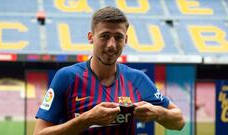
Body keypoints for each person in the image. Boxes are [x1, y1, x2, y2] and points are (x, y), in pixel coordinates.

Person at [34, 6, 185, 135]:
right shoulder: (67, 77)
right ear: (91, 37)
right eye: (105, 36)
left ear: (125, 40)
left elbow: (179, 122)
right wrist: (87, 119)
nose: (111, 45)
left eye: (118, 37)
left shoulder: (137, 79)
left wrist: (158, 113)